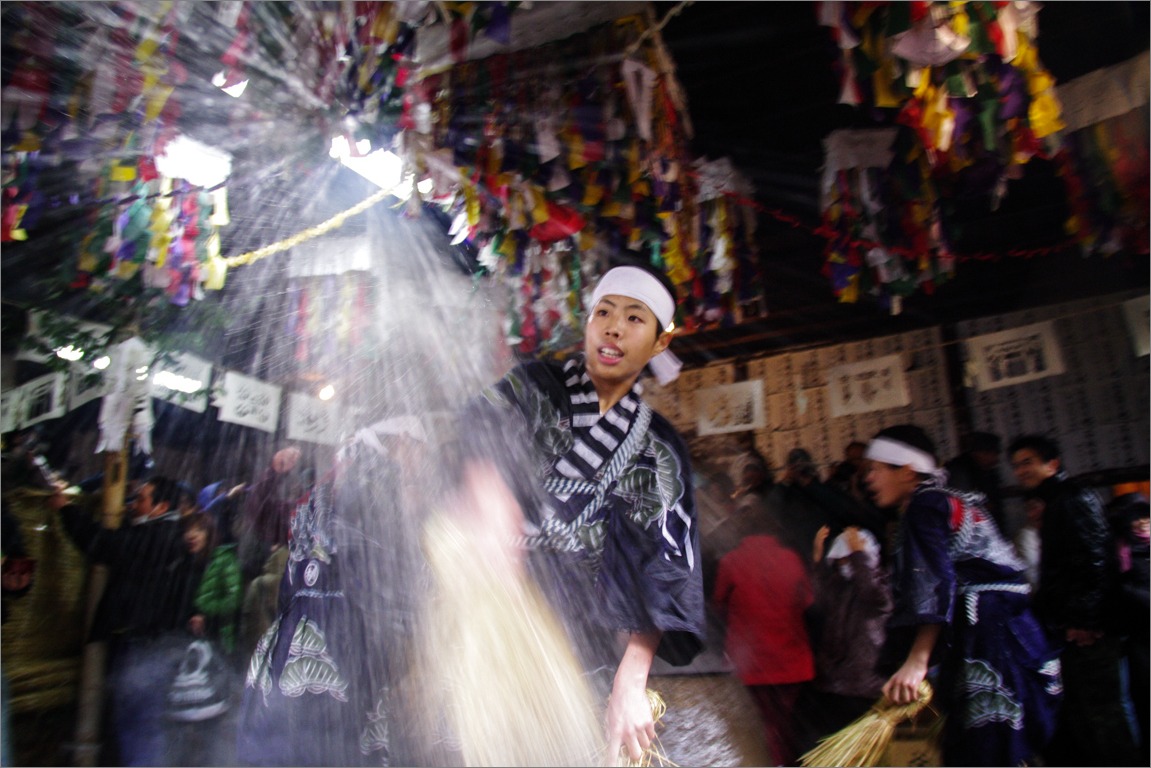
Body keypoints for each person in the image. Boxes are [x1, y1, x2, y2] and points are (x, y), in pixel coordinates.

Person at [452, 262, 705, 763]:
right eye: (603, 312)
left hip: (579, 649)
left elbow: (665, 572)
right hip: (490, 626)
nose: (613, 326)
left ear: (659, 343)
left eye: (635, 318)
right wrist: (491, 494)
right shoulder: (531, 388)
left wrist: (630, 685)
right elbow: (475, 432)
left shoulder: (658, 449)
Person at [866, 425, 1060, 766]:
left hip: (988, 635)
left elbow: (934, 584)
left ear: (907, 471)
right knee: (1010, 743)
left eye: (876, 469)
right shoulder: (950, 499)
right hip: (1016, 631)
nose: (869, 479)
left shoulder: (924, 506)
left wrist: (917, 661)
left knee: (988, 745)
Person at [1008, 434, 1139, 767]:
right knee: (1086, 710)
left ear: (1052, 464)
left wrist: (1085, 621)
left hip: (1090, 628)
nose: (1020, 471)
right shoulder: (1056, 502)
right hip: (1072, 625)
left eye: (1028, 462)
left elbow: (1094, 560)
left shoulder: (1073, 498)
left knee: (1104, 711)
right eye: (1016, 465)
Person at [53, 475, 202, 767]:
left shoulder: (157, 537)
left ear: (161, 506)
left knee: (140, 723)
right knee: (141, 722)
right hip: (154, 641)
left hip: (144, 644)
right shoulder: (166, 535)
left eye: (142, 499)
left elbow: (102, 545)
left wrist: (66, 509)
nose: (134, 504)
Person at [713, 507, 813, 767]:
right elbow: (807, 602)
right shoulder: (791, 559)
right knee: (785, 725)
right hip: (792, 663)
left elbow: (719, 604)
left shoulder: (731, 561)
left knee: (756, 727)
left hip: (750, 665)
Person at [796, 524, 892, 758]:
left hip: (862, 686)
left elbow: (869, 590)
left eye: (850, 559)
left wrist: (859, 555)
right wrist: (818, 561)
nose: (845, 565)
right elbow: (818, 599)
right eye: (840, 561)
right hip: (832, 681)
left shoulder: (881, 586)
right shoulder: (838, 585)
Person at [1111, 495, 1149, 764]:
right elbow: (1120, 591)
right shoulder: (1122, 553)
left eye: (1146, 517)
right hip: (1140, 637)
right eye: (1136, 518)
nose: (1143, 523)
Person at [945, 431, 1007, 536]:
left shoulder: (988, 471)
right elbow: (961, 504)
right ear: (979, 453)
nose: (996, 459)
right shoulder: (959, 470)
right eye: (993, 454)